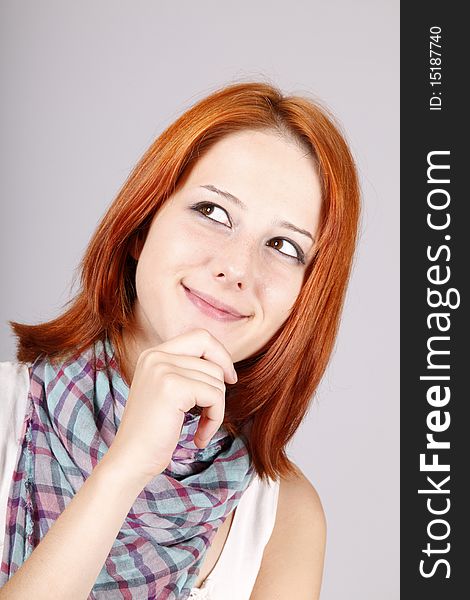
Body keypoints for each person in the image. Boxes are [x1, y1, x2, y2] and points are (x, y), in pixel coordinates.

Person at [0, 80, 360, 599]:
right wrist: (125, 467)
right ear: (142, 225)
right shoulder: (10, 412)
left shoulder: (284, 520)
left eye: (283, 245)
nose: (237, 268)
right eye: (212, 212)